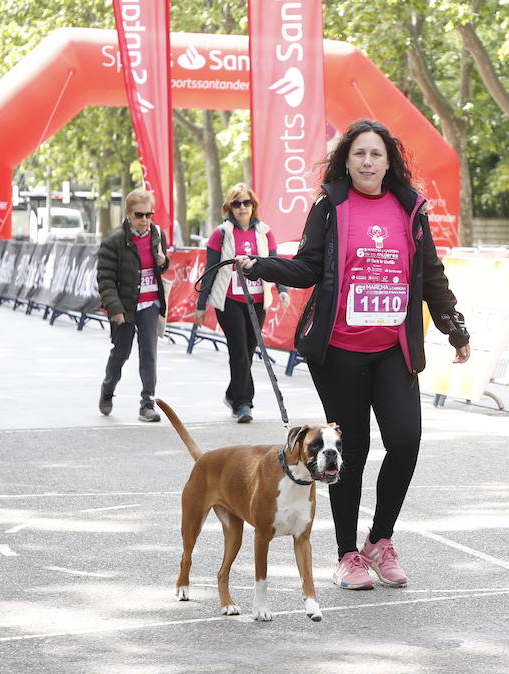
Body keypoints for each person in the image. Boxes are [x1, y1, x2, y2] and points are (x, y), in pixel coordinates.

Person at [239, 119, 471, 592]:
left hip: (393, 347)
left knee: (405, 440)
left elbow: (430, 274)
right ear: (347, 160)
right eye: (360, 154)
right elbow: (308, 266)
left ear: (389, 162)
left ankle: (379, 540)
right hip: (340, 349)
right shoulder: (331, 206)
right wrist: (261, 265)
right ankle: (347, 554)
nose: (368, 162)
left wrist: (453, 324)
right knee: (352, 452)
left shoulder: (410, 209)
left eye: (377, 154)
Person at [193, 183, 291, 423]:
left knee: (248, 351)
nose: (242, 207)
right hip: (229, 301)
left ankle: (231, 393)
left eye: (246, 202)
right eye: (237, 203)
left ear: (253, 205)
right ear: (230, 207)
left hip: (257, 299)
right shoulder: (222, 233)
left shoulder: (265, 232)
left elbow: (275, 263)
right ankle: (243, 403)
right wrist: (201, 304)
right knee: (238, 351)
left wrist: (282, 290)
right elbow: (211, 269)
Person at [97, 187, 170, 422]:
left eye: (149, 214)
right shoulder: (114, 241)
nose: (145, 220)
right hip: (125, 306)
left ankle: (147, 403)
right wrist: (114, 309)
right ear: (128, 214)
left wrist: (164, 261)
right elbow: (105, 278)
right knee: (121, 353)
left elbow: (160, 268)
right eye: (140, 215)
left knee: (149, 353)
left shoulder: (157, 234)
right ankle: (108, 389)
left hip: (150, 304)